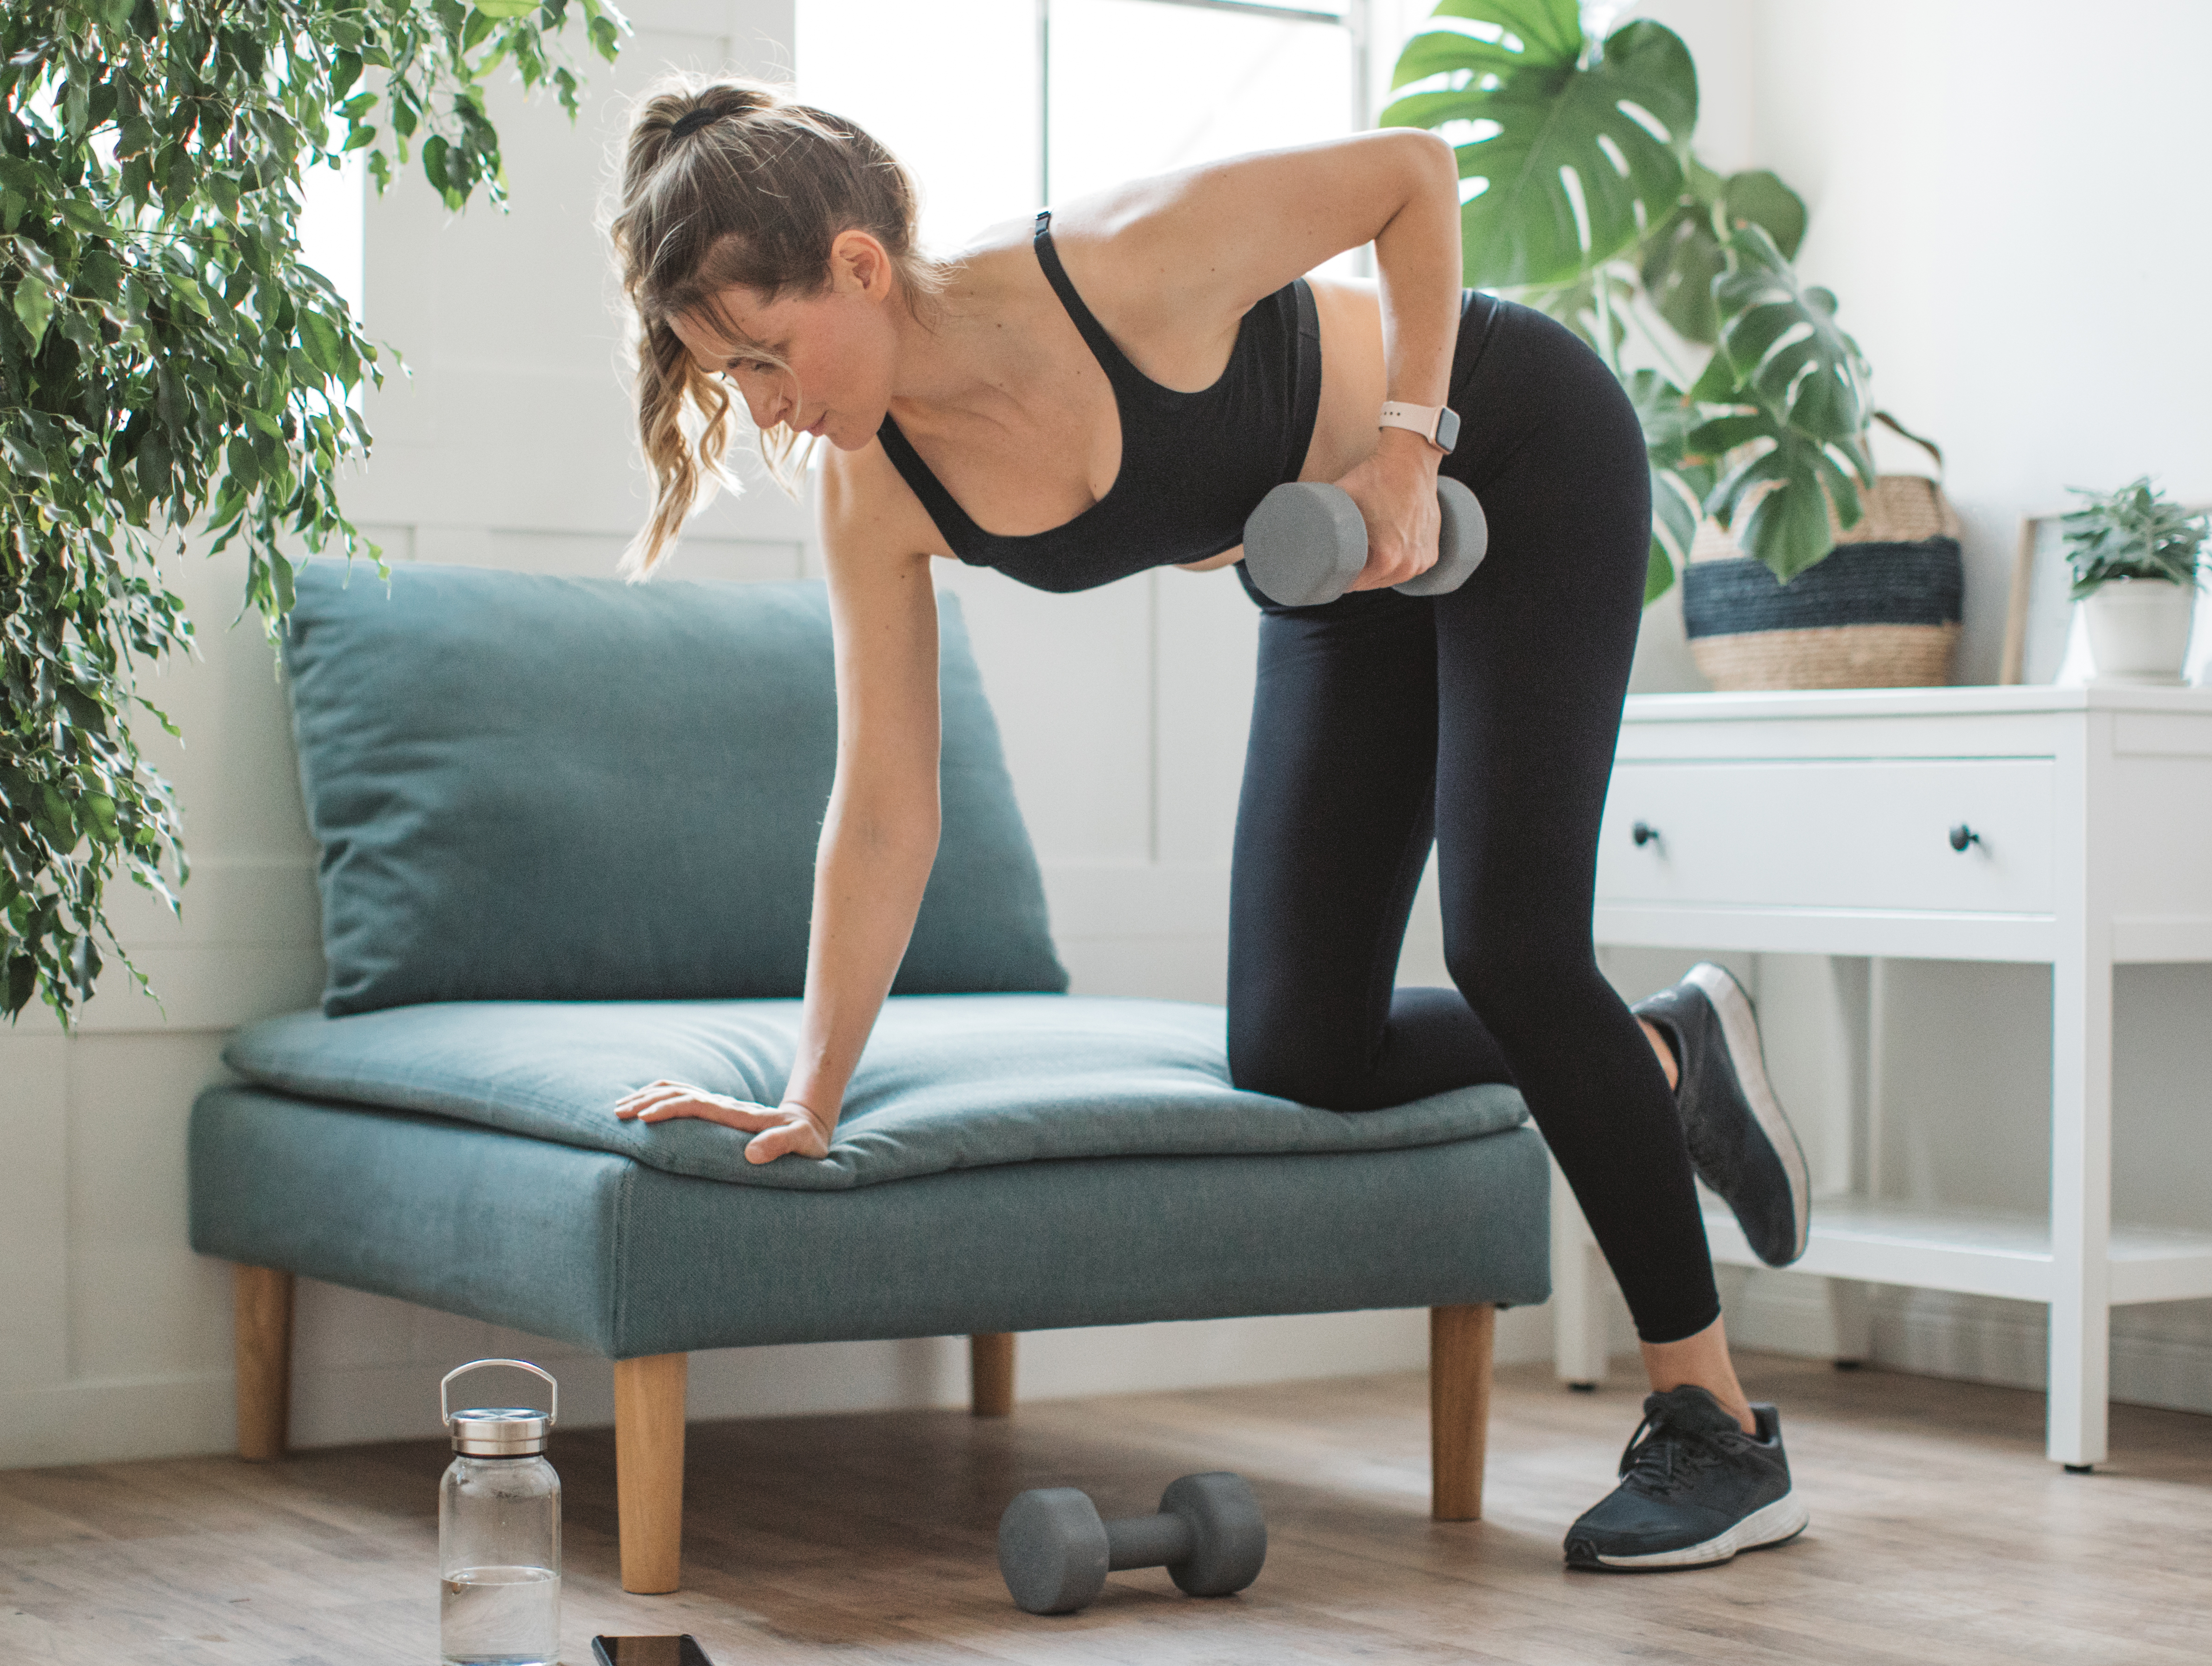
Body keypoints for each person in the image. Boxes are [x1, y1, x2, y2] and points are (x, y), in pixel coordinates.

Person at [600, 77, 1813, 1572]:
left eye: (765, 354)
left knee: (1509, 940)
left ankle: (1716, 1431)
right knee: (1300, 1045)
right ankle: (1663, 1057)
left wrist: (1410, 451)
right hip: (1335, 562)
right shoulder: (874, 488)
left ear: (857, 263)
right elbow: (882, 807)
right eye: (731, 379)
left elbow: (1414, 178)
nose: (765, 405)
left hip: (1502, 444)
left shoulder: (1117, 262)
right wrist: (811, 1089)